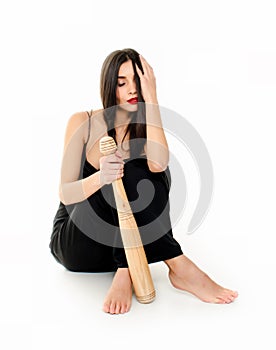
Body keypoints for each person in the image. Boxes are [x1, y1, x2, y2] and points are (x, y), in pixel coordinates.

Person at [49, 48, 238, 314]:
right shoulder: (83, 122)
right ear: (108, 86)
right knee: (121, 173)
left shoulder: (145, 125)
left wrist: (152, 98)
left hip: (125, 243)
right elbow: (66, 193)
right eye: (122, 82)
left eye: (137, 81)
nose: (130, 90)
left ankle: (127, 268)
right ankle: (176, 264)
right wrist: (101, 177)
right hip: (78, 238)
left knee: (151, 170)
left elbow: (159, 164)